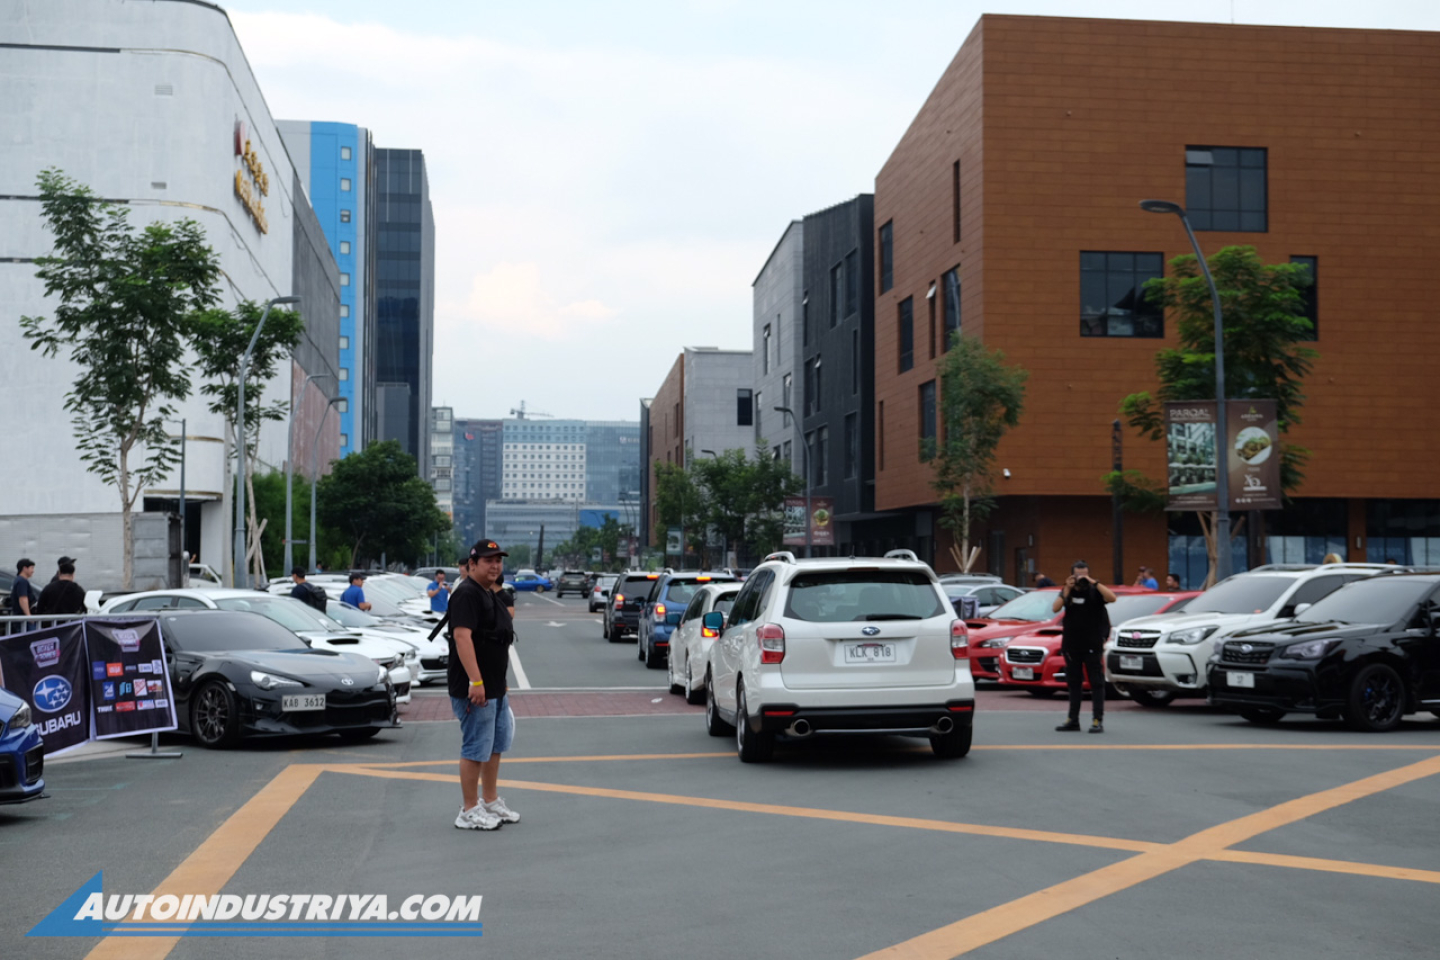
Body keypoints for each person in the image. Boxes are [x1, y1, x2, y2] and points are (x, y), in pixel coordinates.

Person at [448, 539, 519, 831]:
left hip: (494, 686)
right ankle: (468, 810)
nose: (495, 565)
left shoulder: (488, 593)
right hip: (475, 688)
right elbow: (462, 637)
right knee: (476, 746)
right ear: (472, 564)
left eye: (498, 560)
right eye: (488, 560)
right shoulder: (466, 593)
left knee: (494, 745)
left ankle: (489, 801)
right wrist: (475, 681)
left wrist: (497, 684)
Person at [1053, 560, 1116, 734]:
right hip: (1072, 645)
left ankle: (1097, 720)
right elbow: (1055, 608)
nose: (1081, 578)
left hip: (1092, 644)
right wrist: (1067, 587)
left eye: (1084, 574)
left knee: (1096, 683)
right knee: (1074, 684)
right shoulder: (1068, 590)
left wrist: (1093, 582)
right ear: (1072, 575)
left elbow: (1112, 598)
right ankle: (1072, 720)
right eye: (1078, 574)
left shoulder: (1095, 590)